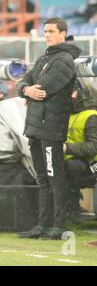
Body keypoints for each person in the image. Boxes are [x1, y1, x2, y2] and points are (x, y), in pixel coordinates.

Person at [16, 17, 81, 240]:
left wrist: (29, 90)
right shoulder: (45, 57)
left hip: (51, 127)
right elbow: (23, 81)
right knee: (42, 177)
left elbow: (44, 89)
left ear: (63, 33)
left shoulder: (64, 60)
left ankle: (58, 225)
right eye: (45, 32)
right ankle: (43, 225)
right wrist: (25, 90)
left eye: (51, 31)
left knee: (55, 176)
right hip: (35, 126)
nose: (47, 35)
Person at [64, 79, 97, 223]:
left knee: (72, 167)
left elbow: (94, 147)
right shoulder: (66, 114)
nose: (69, 96)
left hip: (93, 165)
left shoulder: (92, 116)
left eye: (72, 92)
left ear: (83, 94)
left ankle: (73, 208)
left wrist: (67, 148)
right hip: (71, 160)